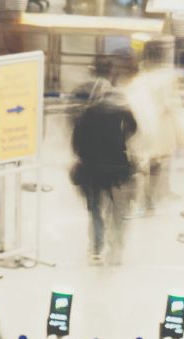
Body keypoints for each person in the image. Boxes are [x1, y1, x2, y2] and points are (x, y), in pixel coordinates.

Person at [69, 74, 138, 264]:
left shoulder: (86, 114)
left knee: (95, 209)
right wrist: (122, 141)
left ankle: (96, 247)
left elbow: (76, 144)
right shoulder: (123, 112)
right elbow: (134, 128)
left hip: (92, 169)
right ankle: (116, 245)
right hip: (117, 167)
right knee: (117, 210)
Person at [124, 39, 184, 215]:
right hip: (161, 126)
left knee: (142, 161)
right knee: (156, 164)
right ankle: (150, 199)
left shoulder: (140, 76)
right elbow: (172, 102)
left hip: (141, 122)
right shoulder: (168, 77)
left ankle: (141, 198)